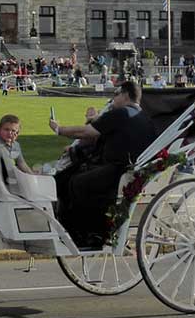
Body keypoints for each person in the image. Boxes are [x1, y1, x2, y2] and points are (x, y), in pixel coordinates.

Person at [49, 79, 156, 248]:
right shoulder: (145, 118)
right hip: (131, 170)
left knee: (75, 182)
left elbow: (87, 132)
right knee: (79, 177)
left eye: (116, 94)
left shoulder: (121, 113)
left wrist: (58, 129)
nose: (114, 99)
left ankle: (87, 233)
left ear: (126, 95)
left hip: (117, 169)